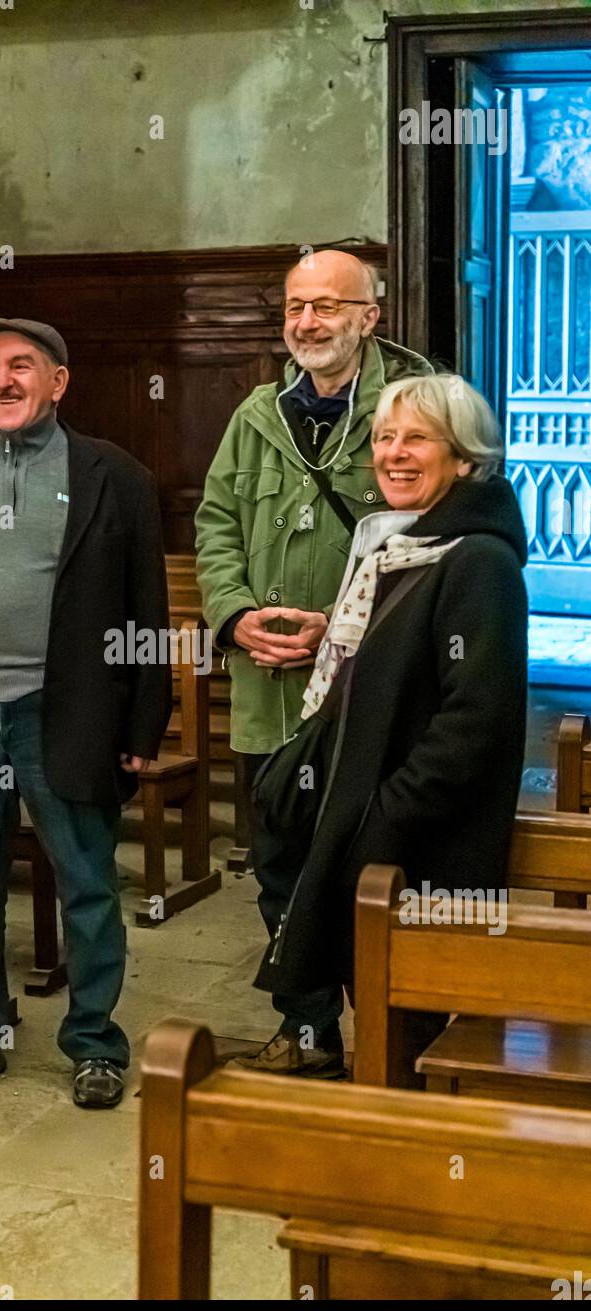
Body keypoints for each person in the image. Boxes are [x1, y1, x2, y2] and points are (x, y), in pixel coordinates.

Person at [0, 317, 171, 1105]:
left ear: (59, 381)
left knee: (85, 880)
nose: (3, 380)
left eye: (22, 366)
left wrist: (144, 728)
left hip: (65, 710)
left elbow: (148, 613)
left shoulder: (115, 475)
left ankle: (94, 1044)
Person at [239, 373, 529, 1075]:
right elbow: (396, 661)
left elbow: (474, 721)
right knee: (362, 975)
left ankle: (411, 1147)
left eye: (417, 439)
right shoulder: (405, 547)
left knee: (408, 1020)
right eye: (384, 438)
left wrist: (385, 814)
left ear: (464, 458)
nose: (394, 454)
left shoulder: (479, 561)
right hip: (362, 801)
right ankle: (344, 1070)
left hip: (419, 836)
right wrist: (340, 634)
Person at [194, 248, 431, 869]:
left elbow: (431, 542)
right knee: (276, 870)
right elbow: (216, 523)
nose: (308, 322)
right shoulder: (256, 413)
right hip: (268, 686)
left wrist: (340, 622)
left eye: (327, 306)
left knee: (363, 870)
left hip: (365, 688)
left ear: (370, 317)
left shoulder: (416, 413)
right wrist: (233, 615)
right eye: (296, 307)